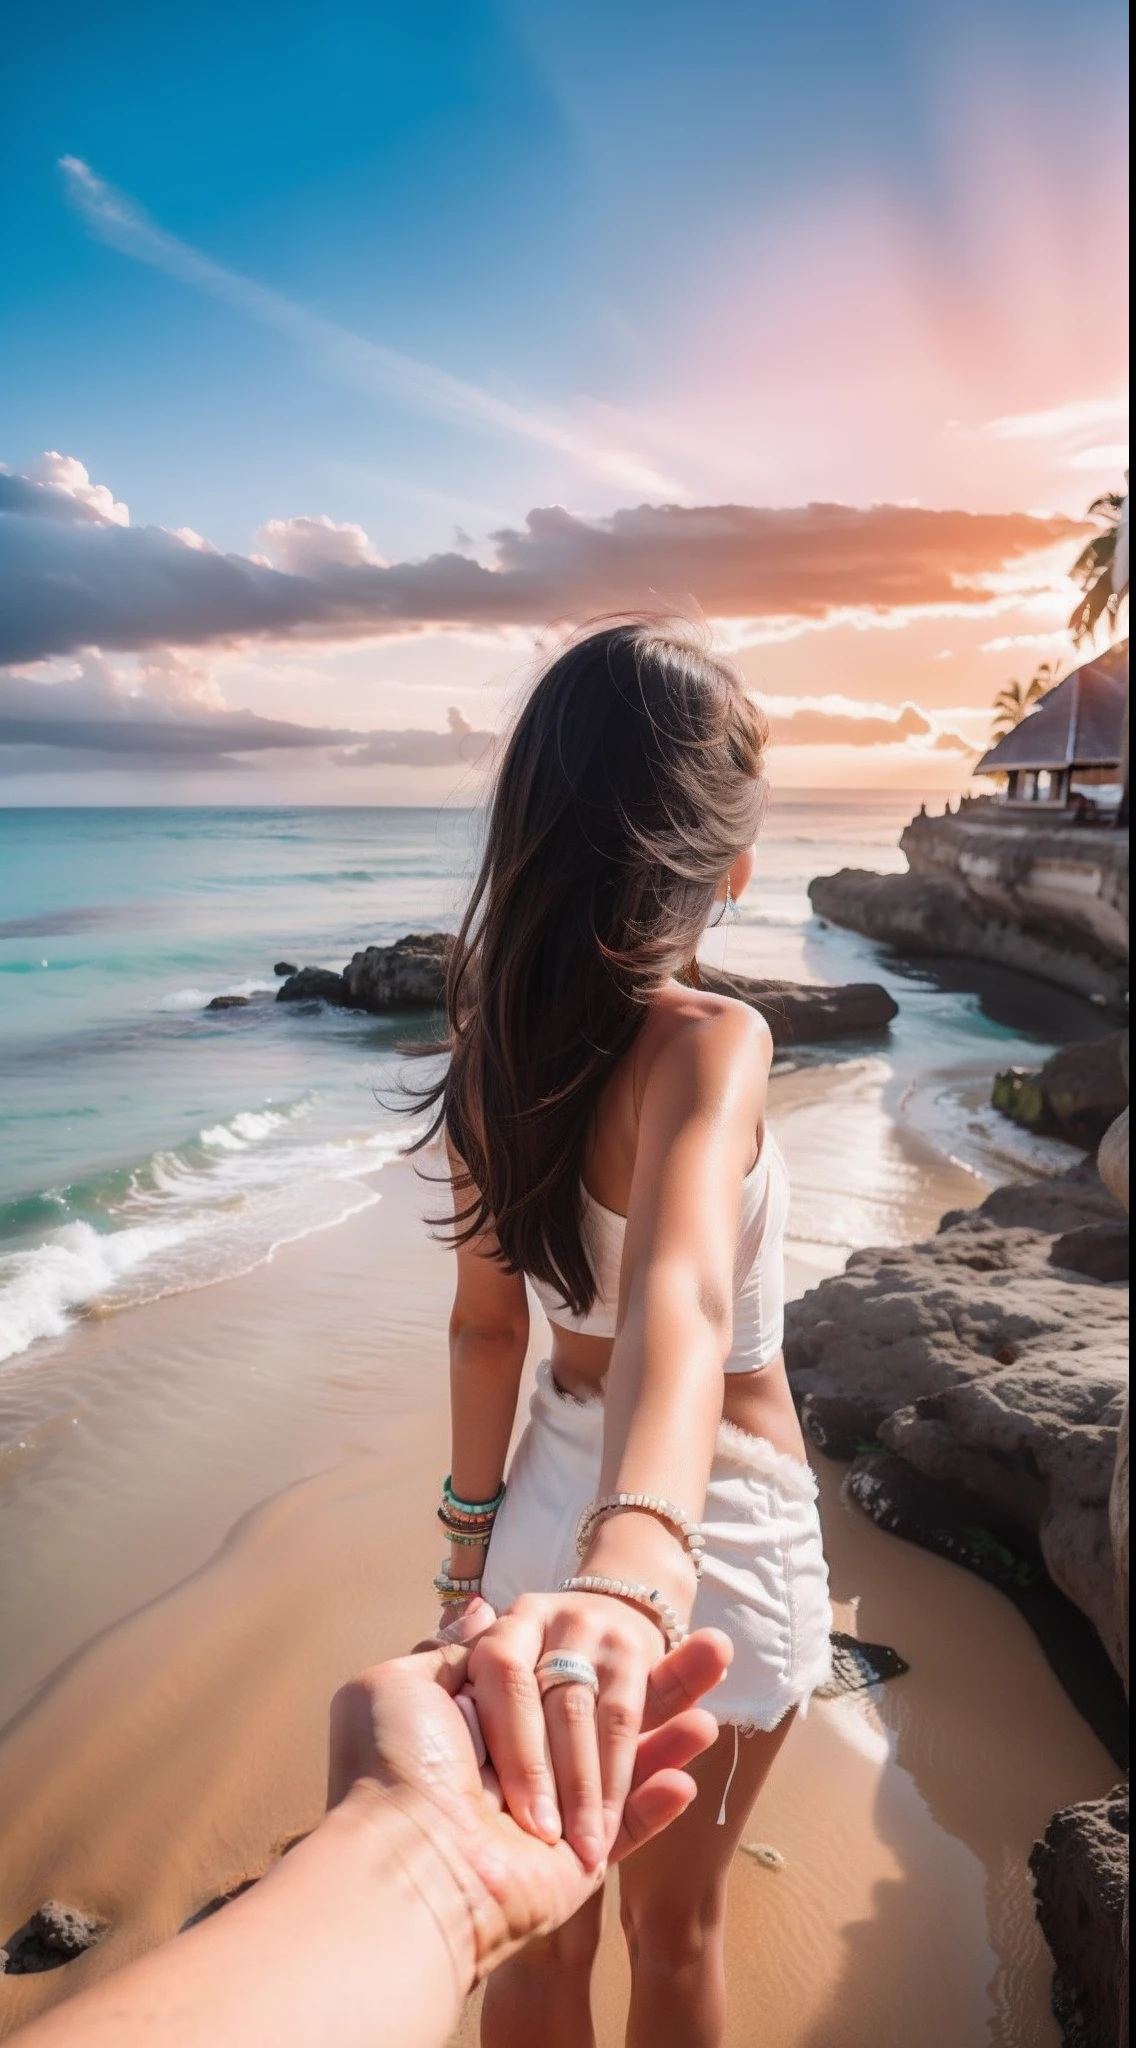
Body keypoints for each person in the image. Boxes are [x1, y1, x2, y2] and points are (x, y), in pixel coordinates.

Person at [417, 621, 834, 2048]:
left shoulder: (490, 1054)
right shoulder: (714, 1041)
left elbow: (486, 1332)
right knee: (678, 1935)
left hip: (537, 1522)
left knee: (535, 1943)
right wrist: (644, 1558)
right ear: (727, 865)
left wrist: (467, 1578)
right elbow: (684, 1297)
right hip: (700, 1532)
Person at [14, 1612, 733, 2048]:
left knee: (543, 1962)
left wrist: (480, 1559)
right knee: (681, 1932)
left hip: (545, 1583)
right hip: (731, 1567)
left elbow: (484, 1349)